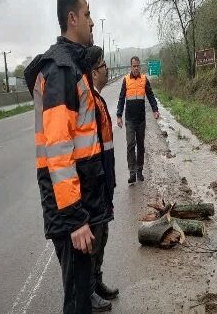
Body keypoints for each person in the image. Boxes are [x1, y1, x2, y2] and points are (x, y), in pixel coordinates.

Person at [24, 0, 109, 314]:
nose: (92, 22)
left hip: (81, 201)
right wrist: (75, 220)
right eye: (87, 15)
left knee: (81, 295)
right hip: (71, 208)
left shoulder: (75, 67)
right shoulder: (61, 71)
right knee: (77, 301)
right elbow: (59, 153)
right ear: (72, 18)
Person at [89, 56, 119, 311]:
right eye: (104, 66)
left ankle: (97, 282)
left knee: (104, 233)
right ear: (94, 72)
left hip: (104, 177)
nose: (107, 69)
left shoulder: (98, 98)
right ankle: (88, 289)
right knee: (95, 235)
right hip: (96, 180)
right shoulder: (89, 100)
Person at [116, 56, 160, 184]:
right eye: (134, 66)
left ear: (139, 66)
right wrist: (119, 115)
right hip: (130, 119)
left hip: (141, 120)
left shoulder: (144, 79)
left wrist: (155, 109)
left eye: (137, 66)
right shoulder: (126, 80)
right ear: (131, 67)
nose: (136, 68)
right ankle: (132, 172)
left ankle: (140, 170)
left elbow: (151, 95)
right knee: (130, 145)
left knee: (140, 146)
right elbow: (121, 98)